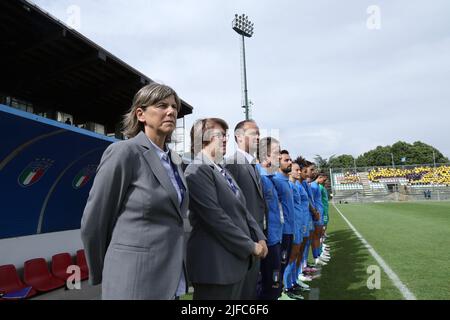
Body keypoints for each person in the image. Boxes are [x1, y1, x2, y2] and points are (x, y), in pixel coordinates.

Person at [80, 82, 189, 299]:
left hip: (170, 278)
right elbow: (94, 221)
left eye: (174, 107)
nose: (171, 111)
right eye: (161, 105)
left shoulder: (175, 162)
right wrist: (108, 271)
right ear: (141, 114)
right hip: (133, 279)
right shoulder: (124, 152)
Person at [185, 118, 267, 300]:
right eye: (219, 135)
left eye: (225, 135)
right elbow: (215, 218)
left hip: (232, 262)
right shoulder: (196, 169)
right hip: (214, 265)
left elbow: (243, 209)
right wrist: (251, 246)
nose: (225, 140)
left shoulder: (222, 170)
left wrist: (260, 236)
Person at [225, 120, 266, 300]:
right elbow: (233, 206)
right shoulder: (233, 163)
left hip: (256, 237)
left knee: (250, 291)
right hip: (244, 241)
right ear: (239, 137)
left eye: (259, 133)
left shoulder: (252, 164)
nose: (258, 137)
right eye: (253, 133)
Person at [256, 137, 284, 300]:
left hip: (275, 239)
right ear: (266, 156)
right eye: (276, 152)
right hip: (267, 242)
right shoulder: (260, 179)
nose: (279, 157)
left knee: (275, 285)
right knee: (269, 288)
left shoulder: (270, 179)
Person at [271, 150, 296, 300]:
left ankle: (280, 291)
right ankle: (278, 292)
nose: (289, 162)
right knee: (278, 266)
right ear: (278, 162)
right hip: (282, 232)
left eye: (290, 160)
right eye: (286, 160)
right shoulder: (276, 180)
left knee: (285, 263)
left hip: (290, 230)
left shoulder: (287, 182)